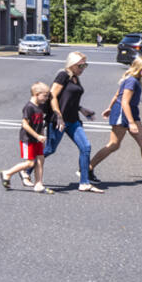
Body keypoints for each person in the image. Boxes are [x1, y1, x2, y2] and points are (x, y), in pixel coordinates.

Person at [90, 55, 142, 185]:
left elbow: (117, 95)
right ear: (140, 67)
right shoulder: (131, 81)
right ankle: (87, 168)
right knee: (114, 145)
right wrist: (131, 123)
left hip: (132, 112)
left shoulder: (135, 79)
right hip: (123, 113)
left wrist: (109, 108)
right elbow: (124, 102)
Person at [47, 51, 102, 192]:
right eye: (80, 65)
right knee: (49, 149)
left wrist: (82, 109)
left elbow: (68, 99)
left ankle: (84, 182)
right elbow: (53, 96)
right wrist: (58, 115)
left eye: (85, 65)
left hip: (73, 120)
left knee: (85, 147)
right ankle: (26, 170)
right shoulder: (63, 75)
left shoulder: (75, 77)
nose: (83, 68)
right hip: (59, 121)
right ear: (71, 64)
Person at [0, 82, 54, 193]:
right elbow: (25, 124)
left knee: (41, 159)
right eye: (45, 96)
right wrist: (37, 136)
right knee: (30, 163)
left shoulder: (39, 107)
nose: (47, 98)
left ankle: (38, 184)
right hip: (28, 139)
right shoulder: (29, 107)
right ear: (37, 94)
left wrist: (42, 137)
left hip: (37, 139)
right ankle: (7, 173)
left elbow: (40, 124)